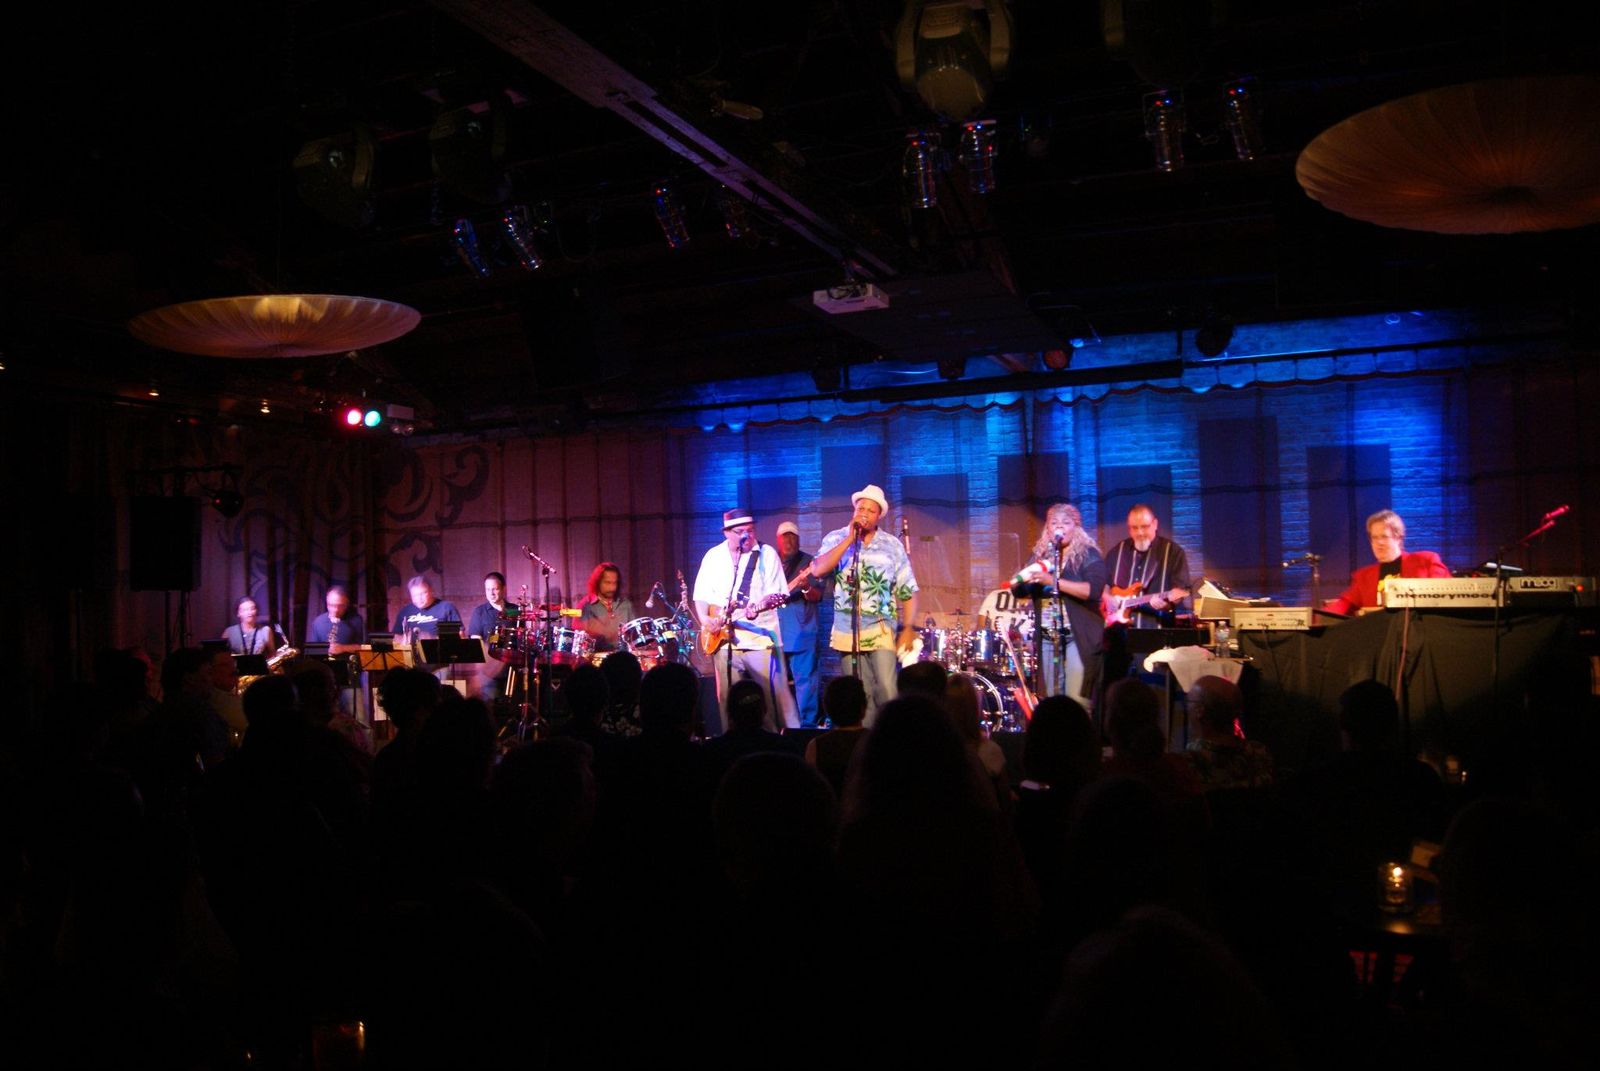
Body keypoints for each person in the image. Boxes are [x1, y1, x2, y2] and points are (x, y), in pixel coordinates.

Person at [811, 484, 919, 725]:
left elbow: (908, 589)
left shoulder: (891, 545)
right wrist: (849, 539)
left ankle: (890, 736)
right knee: (860, 694)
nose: (864, 514)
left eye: (871, 511)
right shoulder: (836, 538)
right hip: (847, 630)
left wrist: (909, 627)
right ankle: (865, 741)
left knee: (887, 689)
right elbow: (817, 569)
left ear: (879, 515)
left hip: (881, 627)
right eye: (861, 508)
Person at [693, 507, 799, 733]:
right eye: (740, 531)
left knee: (770, 701)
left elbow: (777, 594)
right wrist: (705, 619)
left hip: (760, 640)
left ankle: (775, 743)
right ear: (726, 533)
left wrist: (757, 607)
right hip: (724, 642)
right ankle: (731, 745)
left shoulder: (766, 554)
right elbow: (701, 595)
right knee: (728, 701)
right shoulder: (713, 556)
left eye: (750, 530)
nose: (746, 536)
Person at [1011, 503, 1106, 705]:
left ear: (1076, 527)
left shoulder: (1087, 555)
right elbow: (1018, 590)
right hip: (1048, 637)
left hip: (1077, 637)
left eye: (1066, 522)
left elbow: (1092, 590)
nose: (1059, 527)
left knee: (1077, 702)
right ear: (1048, 529)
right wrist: (1022, 579)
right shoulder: (1040, 557)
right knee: (1052, 702)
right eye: (1054, 523)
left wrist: (1052, 582)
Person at [1323, 509, 1451, 615]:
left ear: (1398, 538)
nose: (1379, 543)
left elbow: (1446, 594)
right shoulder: (1364, 577)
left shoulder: (1425, 561)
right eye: (1374, 538)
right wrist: (1318, 618)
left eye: (1384, 536)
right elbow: (1344, 604)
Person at [1102, 504, 1191, 628]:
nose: (1140, 533)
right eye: (1134, 528)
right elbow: (1103, 585)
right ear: (1129, 529)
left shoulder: (1173, 552)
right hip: (1119, 633)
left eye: (1144, 527)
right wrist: (1107, 598)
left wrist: (1166, 605)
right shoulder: (1116, 552)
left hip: (1156, 630)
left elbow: (1179, 592)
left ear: (1155, 524)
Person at [775, 520, 825, 727]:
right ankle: (780, 726)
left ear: (799, 540)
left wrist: (805, 587)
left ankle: (808, 727)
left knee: (806, 682)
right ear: (778, 540)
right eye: (785, 536)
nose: (789, 541)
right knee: (775, 684)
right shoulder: (769, 562)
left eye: (793, 537)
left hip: (801, 633)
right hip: (773, 634)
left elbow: (817, 596)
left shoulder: (810, 563)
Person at [468, 571, 513, 703]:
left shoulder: (514, 610)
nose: (491, 593)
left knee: (511, 706)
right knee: (490, 704)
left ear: (503, 589)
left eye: (495, 589)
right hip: (489, 671)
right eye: (488, 589)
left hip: (510, 668)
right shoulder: (479, 612)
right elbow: (475, 642)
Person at [577, 562, 636, 654]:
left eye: (615, 583)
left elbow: (634, 634)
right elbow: (578, 639)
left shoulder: (625, 604)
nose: (612, 588)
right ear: (597, 582)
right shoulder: (586, 605)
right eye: (607, 583)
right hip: (597, 658)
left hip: (624, 656)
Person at [391, 575, 463, 639]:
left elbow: (460, 635)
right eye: (415, 595)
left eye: (422, 593)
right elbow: (396, 636)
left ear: (431, 591)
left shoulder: (446, 608)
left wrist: (431, 638)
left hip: (440, 648)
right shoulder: (405, 611)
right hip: (412, 649)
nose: (419, 598)